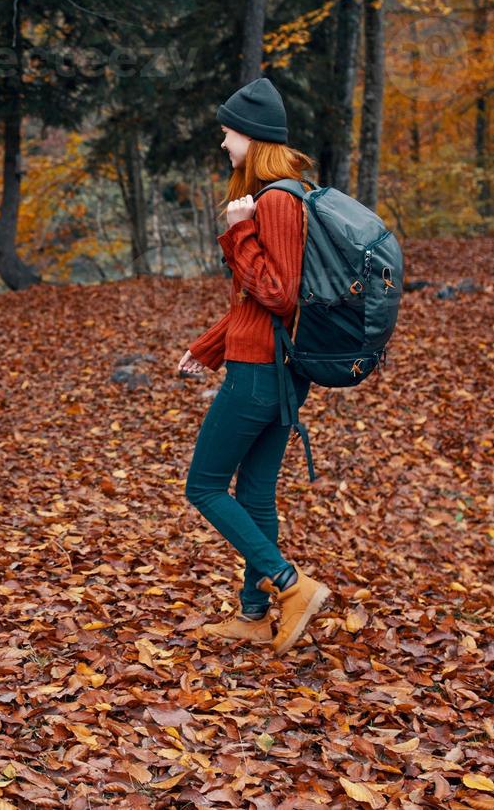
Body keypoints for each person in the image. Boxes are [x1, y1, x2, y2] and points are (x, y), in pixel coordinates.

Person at [177, 75, 332, 656]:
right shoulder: (277, 198)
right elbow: (253, 305)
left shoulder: (276, 201)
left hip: (262, 375)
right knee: (257, 494)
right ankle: (254, 613)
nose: (223, 144)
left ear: (252, 136)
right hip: (276, 368)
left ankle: (291, 586)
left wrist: (241, 229)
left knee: (206, 485)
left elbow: (277, 294)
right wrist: (208, 347)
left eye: (228, 133)